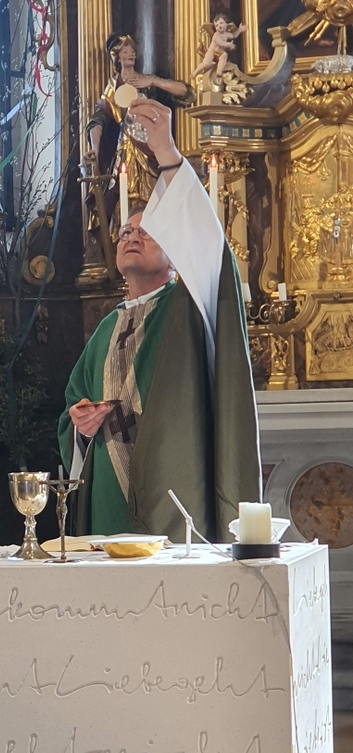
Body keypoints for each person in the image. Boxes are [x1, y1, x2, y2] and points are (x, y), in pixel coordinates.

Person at [59, 97, 261, 543]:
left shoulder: (189, 308)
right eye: (125, 232)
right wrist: (80, 424)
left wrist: (168, 154)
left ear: (176, 255)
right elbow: (73, 407)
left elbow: (209, 249)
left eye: (148, 232)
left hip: (172, 499)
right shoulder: (105, 330)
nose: (132, 236)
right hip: (108, 503)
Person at [86, 35, 194, 236]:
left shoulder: (146, 81)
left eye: (133, 51)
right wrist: (94, 148)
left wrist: (152, 81)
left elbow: (185, 92)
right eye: (125, 51)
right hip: (127, 150)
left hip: (152, 150)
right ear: (117, 57)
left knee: (154, 198)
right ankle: (124, 241)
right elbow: (98, 120)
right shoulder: (114, 86)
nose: (131, 54)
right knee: (124, 198)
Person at [191, 16, 247, 81]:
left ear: (226, 24)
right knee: (206, 64)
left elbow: (233, 35)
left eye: (221, 23)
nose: (219, 26)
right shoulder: (216, 35)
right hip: (211, 52)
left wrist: (239, 30)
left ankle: (219, 71)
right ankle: (194, 74)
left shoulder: (226, 34)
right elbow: (220, 43)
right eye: (216, 25)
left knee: (224, 55)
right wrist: (229, 44)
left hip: (219, 53)